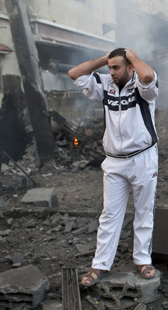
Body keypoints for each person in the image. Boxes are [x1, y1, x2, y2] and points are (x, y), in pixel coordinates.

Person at [68, 48, 159, 286]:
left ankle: (142, 260)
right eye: (110, 68)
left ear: (130, 67)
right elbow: (73, 73)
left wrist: (135, 58)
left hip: (143, 158)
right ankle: (100, 265)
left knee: (143, 211)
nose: (112, 72)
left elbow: (148, 77)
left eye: (116, 67)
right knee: (109, 214)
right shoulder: (105, 83)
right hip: (114, 161)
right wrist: (103, 59)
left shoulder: (142, 85)